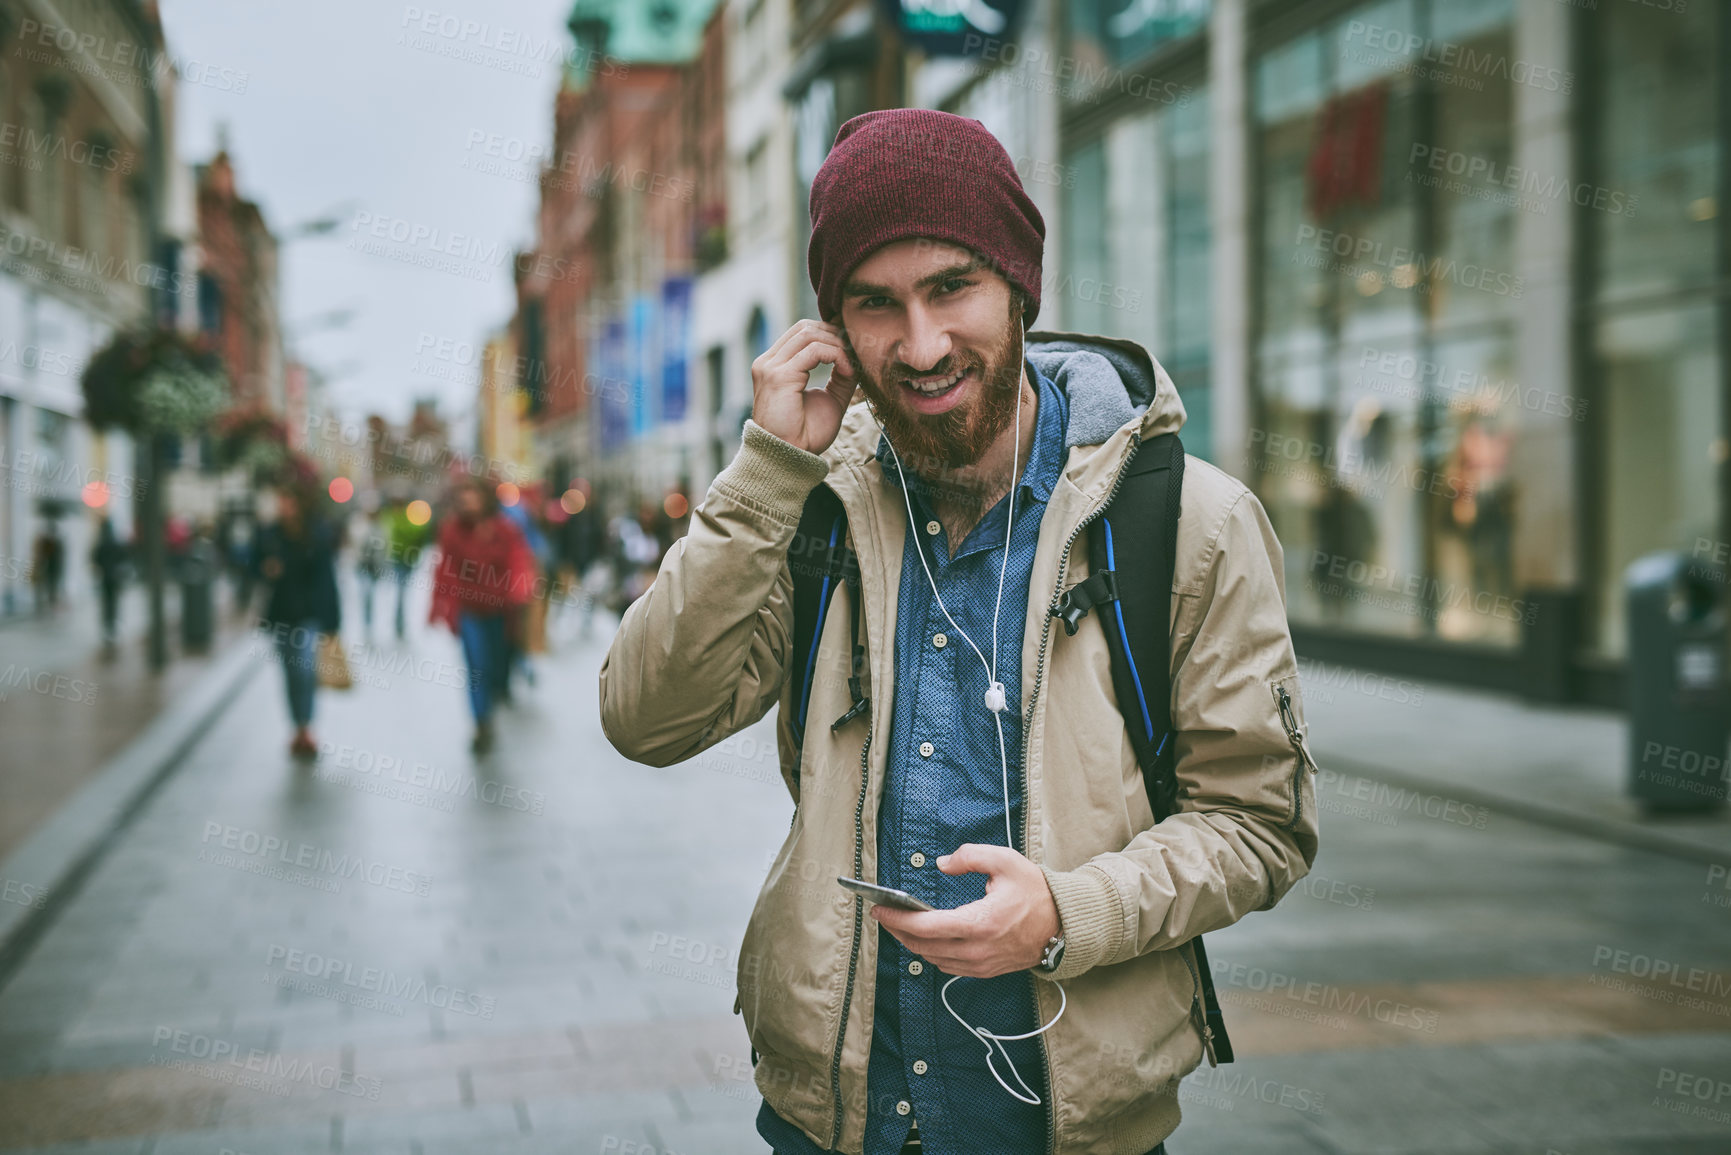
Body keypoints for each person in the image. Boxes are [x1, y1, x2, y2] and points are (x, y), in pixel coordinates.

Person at [601, 109, 1319, 1155]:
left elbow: (1261, 823)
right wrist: (764, 472)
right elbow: (644, 717)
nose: (923, 345)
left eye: (952, 288)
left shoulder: (1189, 523)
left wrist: (1070, 913)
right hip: (832, 1121)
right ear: (833, 329)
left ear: (1019, 289)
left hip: (1071, 1127)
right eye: (876, 304)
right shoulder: (807, 510)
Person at [428, 478, 533, 754]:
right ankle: (481, 722)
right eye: (463, 494)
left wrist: (519, 591)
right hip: (469, 610)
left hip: (500, 610)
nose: (467, 500)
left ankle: (496, 694)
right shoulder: (451, 530)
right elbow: (445, 569)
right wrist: (440, 606)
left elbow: (518, 561)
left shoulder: (504, 529)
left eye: (472, 494)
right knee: (476, 667)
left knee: (498, 664)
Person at [253, 487, 341, 759]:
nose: (285, 506)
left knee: (303, 671)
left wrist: (332, 620)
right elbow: (251, 566)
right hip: (280, 616)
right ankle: (297, 726)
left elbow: (327, 578)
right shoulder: (270, 535)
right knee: (290, 674)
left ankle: (306, 727)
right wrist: (265, 568)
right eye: (282, 501)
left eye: (290, 501)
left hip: (308, 615)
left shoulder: (315, 534)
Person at [384, 500, 430, 638]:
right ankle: (399, 623)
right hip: (401, 561)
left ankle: (399, 622)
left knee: (401, 593)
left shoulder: (398, 520)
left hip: (404, 561)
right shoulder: (396, 519)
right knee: (401, 593)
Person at [90, 517, 129, 649]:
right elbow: (123, 558)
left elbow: (95, 559)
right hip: (115, 578)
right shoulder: (116, 544)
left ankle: (107, 624)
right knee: (114, 602)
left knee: (107, 603)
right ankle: (113, 624)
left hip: (105, 578)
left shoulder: (101, 544)